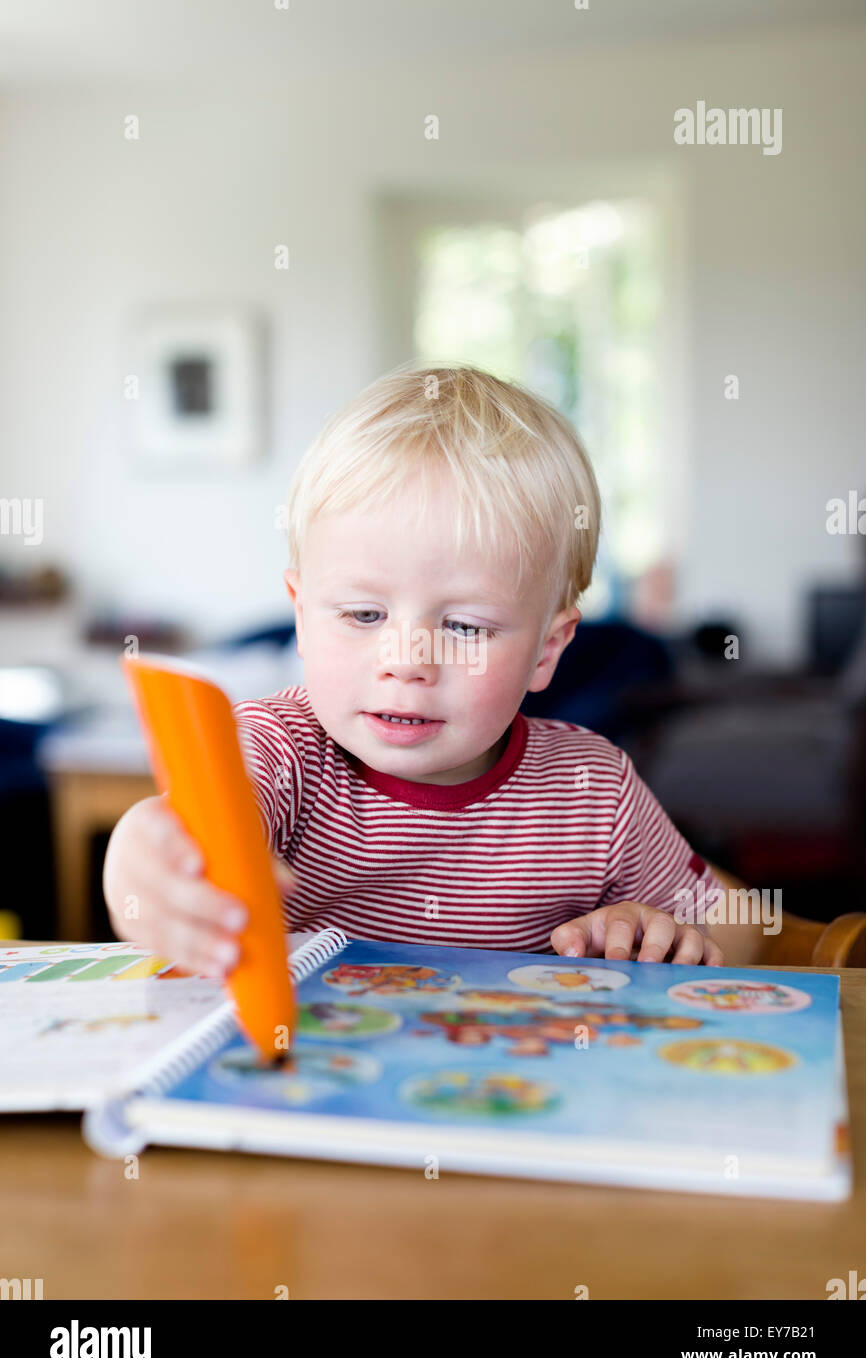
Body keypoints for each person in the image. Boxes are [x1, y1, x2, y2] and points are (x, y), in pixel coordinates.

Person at [103, 364, 725, 977]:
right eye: (364, 614)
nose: (406, 662)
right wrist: (145, 858)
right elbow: (193, 819)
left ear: (547, 649)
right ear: (301, 616)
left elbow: (745, 935)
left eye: (464, 627)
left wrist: (662, 934)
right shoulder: (280, 749)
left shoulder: (594, 793)